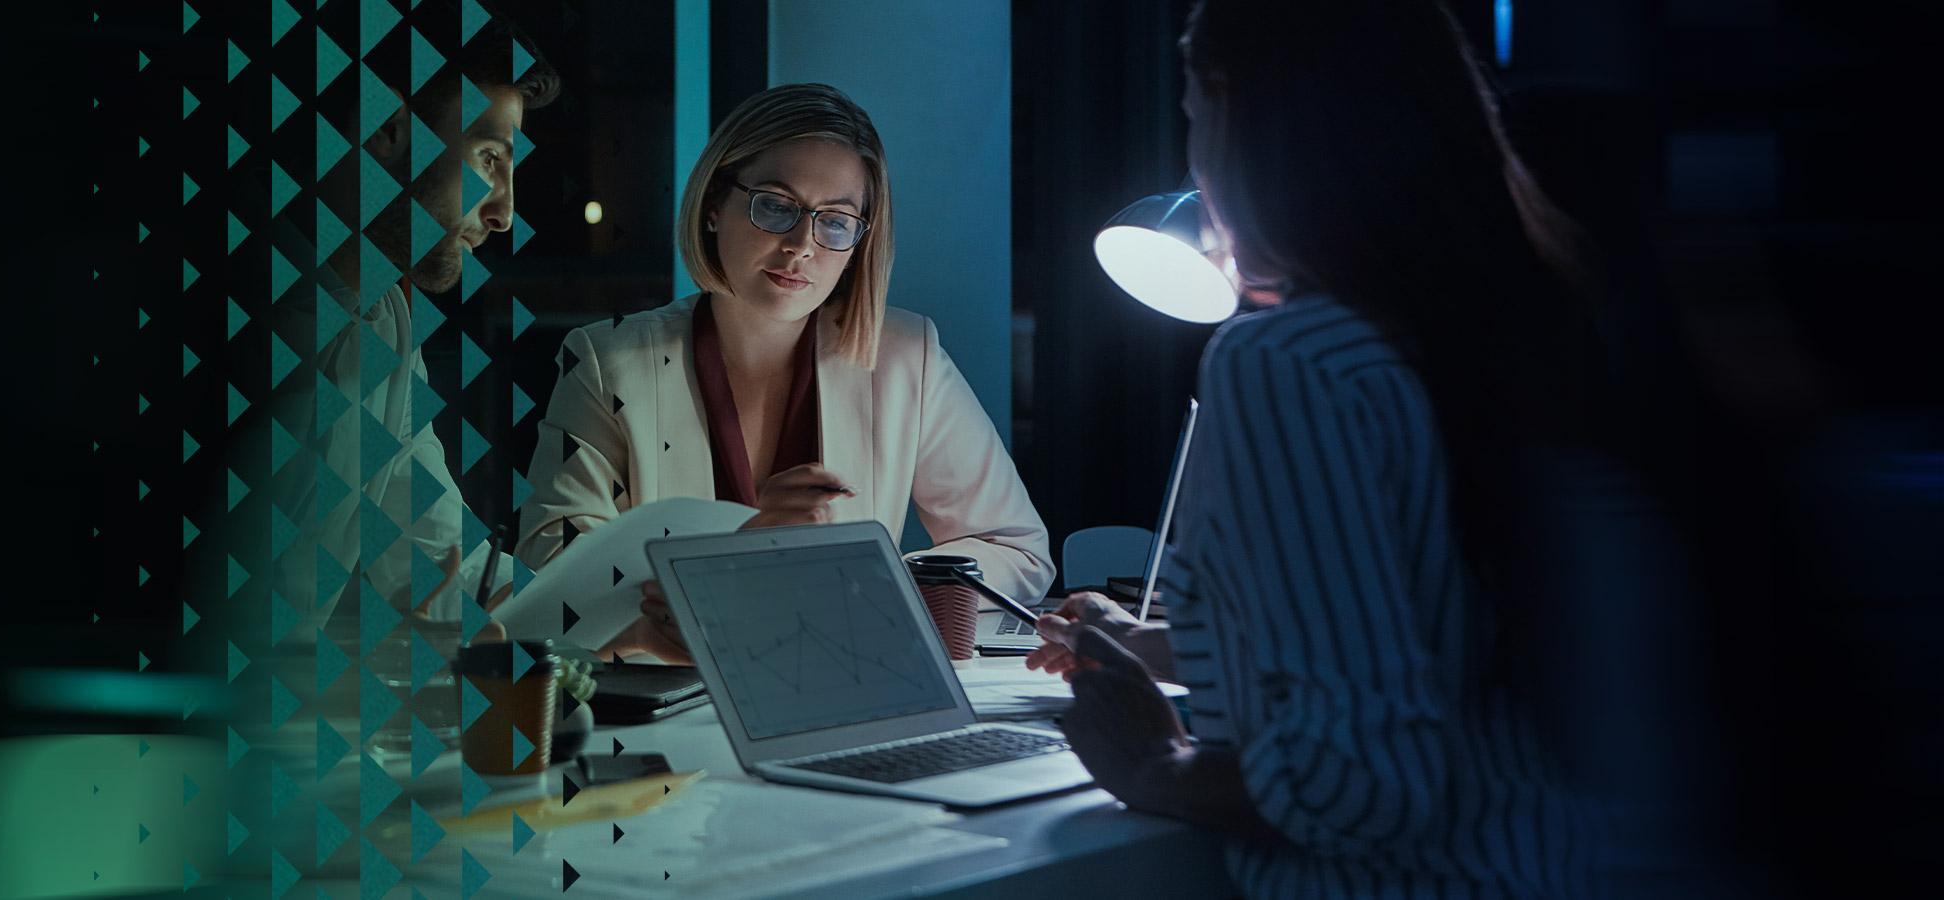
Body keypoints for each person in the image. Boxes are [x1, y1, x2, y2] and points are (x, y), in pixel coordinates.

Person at [1029, 0, 1615, 896]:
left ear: (1237, 114)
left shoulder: (1289, 363)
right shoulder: (1507, 327)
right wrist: (1157, 644)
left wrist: (1153, 762)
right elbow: (1419, 627)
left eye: (1193, 118)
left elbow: (1360, 781)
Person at [515, 83, 1054, 662]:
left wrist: (865, 582)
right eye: (775, 205)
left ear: (859, 243)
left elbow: (1016, 550)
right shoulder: (606, 361)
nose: (802, 246)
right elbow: (549, 576)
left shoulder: (905, 355)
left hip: (844, 692)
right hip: (668, 710)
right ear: (715, 204)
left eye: (837, 221)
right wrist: (730, 548)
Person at [271, 12, 560, 633]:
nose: (506, 212)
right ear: (388, 127)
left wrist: (615, 611)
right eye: (489, 159)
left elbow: (438, 558)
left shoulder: (387, 324)